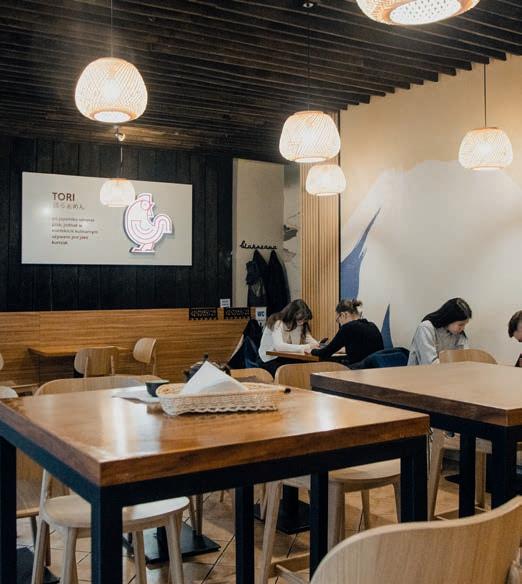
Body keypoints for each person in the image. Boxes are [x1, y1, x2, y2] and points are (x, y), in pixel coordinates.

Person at [310, 299, 384, 367]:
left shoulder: (348, 327)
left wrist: (312, 350)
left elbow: (325, 353)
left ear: (343, 315)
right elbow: (364, 349)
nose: (340, 323)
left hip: (358, 372)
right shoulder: (372, 326)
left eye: (338, 320)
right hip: (376, 371)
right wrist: (344, 350)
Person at [258, 299, 318, 375]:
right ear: (292, 314)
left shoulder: (300, 324)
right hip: (269, 359)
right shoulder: (277, 322)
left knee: (307, 366)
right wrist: (305, 347)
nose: (302, 322)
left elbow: (309, 339)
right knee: (295, 371)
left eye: (304, 320)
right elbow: (279, 346)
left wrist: (315, 344)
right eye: (300, 319)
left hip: (285, 357)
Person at [408, 297, 472, 366]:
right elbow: (430, 363)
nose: (463, 328)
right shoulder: (426, 328)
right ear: (449, 319)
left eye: (465, 324)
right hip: (422, 371)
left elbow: (465, 358)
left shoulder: (458, 334)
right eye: (460, 324)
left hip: (449, 371)